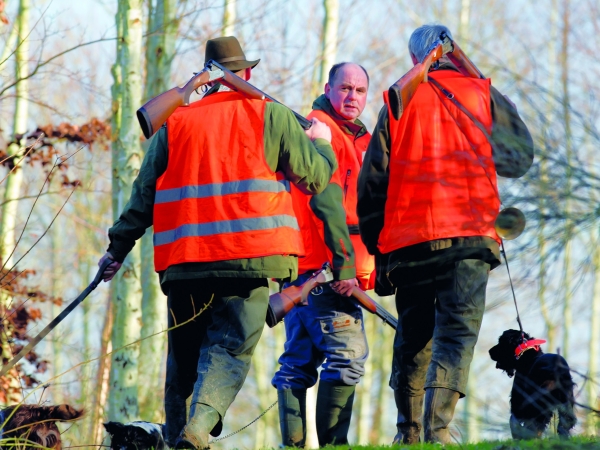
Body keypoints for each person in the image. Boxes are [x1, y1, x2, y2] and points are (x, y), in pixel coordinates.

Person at [98, 36, 337, 450]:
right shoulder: (272, 115)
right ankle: (196, 430)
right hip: (249, 260)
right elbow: (315, 178)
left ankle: (177, 439)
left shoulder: (176, 121)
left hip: (185, 263)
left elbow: (142, 196)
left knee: (184, 363)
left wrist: (116, 250)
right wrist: (321, 142)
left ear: (207, 77)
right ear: (245, 74)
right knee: (228, 352)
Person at [357, 24, 534, 444]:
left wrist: (376, 249)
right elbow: (519, 157)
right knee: (455, 335)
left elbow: (372, 184)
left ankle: (410, 433)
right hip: (470, 238)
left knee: (413, 338)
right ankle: (437, 432)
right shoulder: (478, 94)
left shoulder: (397, 101)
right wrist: (487, 88)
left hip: (409, 242)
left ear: (416, 58)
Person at [271, 62, 374, 447]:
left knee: (298, 362)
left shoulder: (354, 138)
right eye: (345, 88)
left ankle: (292, 445)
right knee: (347, 357)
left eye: (360, 91)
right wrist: (344, 265)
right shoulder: (320, 133)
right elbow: (327, 203)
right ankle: (334, 446)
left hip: (306, 268)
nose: (352, 97)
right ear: (328, 88)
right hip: (325, 268)